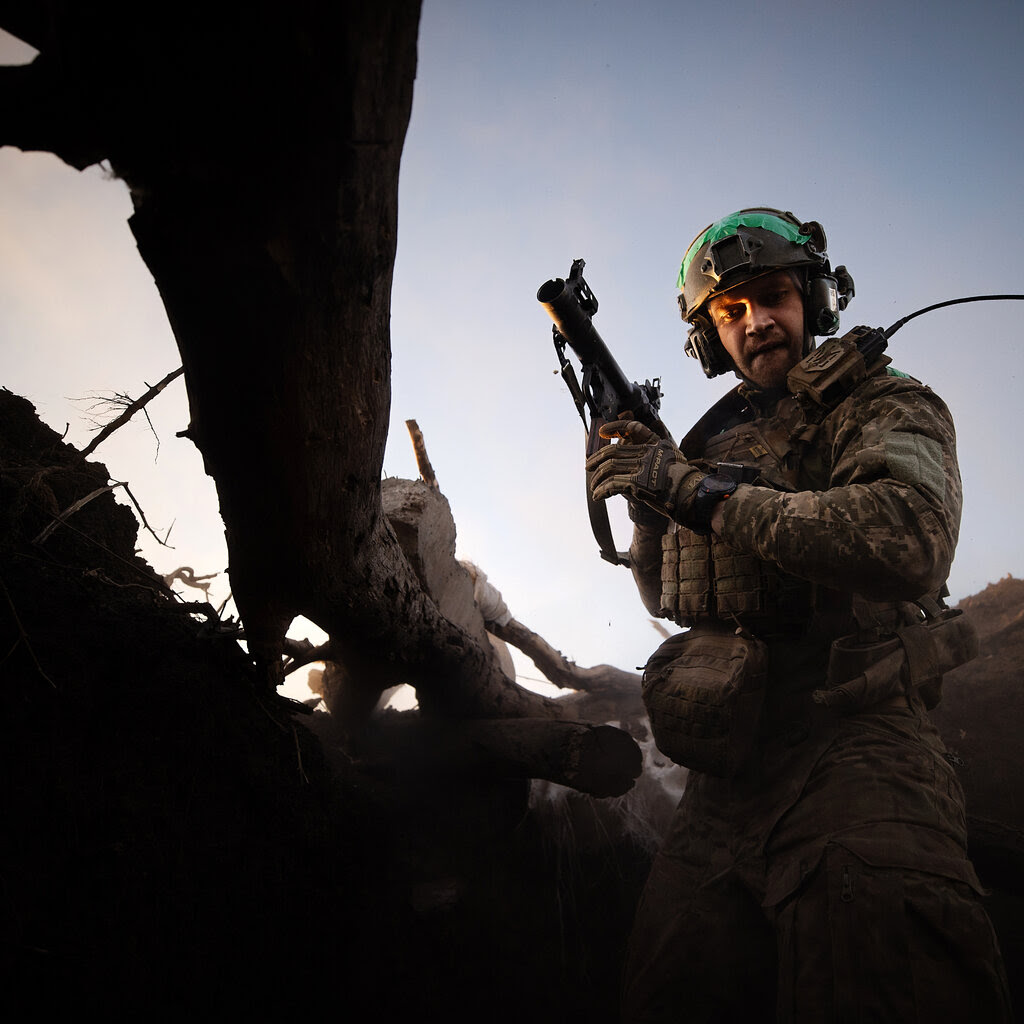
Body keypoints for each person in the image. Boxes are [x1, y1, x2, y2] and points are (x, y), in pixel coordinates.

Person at [585, 208, 1012, 1022]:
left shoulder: (881, 400)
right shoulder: (707, 442)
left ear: (812, 298)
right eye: (731, 312)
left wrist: (689, 489)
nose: (756, 323)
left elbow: (907, 537)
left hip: (858, 750)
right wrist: (646, 499)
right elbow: (665, 598)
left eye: (773, 296)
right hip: (723, 778)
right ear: (710, 338)